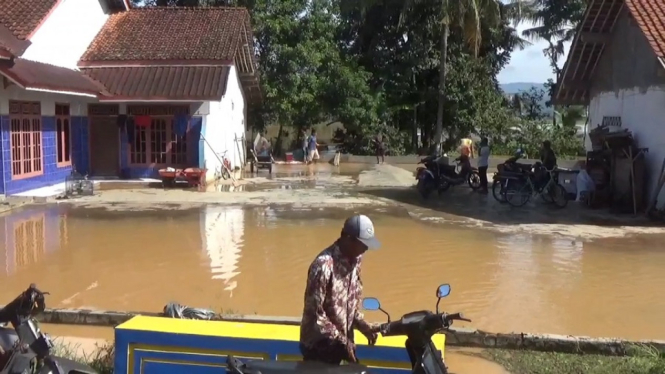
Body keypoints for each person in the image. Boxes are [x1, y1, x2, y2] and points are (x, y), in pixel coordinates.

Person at [299, 215, 381, 365]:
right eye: (363, 244)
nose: (366, 248)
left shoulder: (355, 261)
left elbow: (351, 303)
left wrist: (362, 325)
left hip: (343, 345)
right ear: (348, 239)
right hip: (319, 348)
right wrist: (342, 341)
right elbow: (316, 315)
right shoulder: (323, 266)